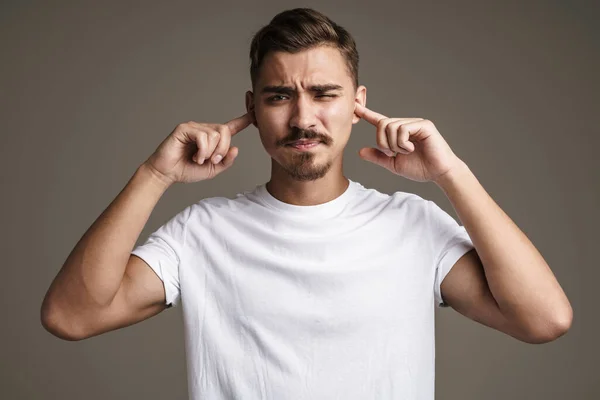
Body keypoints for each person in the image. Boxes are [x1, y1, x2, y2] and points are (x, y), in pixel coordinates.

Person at [41, 8, 572, 400]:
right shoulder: (201, 233)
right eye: (279, 97)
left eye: (324, 94)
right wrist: (155, 175)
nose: (302, 118)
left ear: (358, 103)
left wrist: (450, 174)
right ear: (252, 107)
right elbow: (69, 316)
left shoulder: (412, 224)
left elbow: (545, 319)